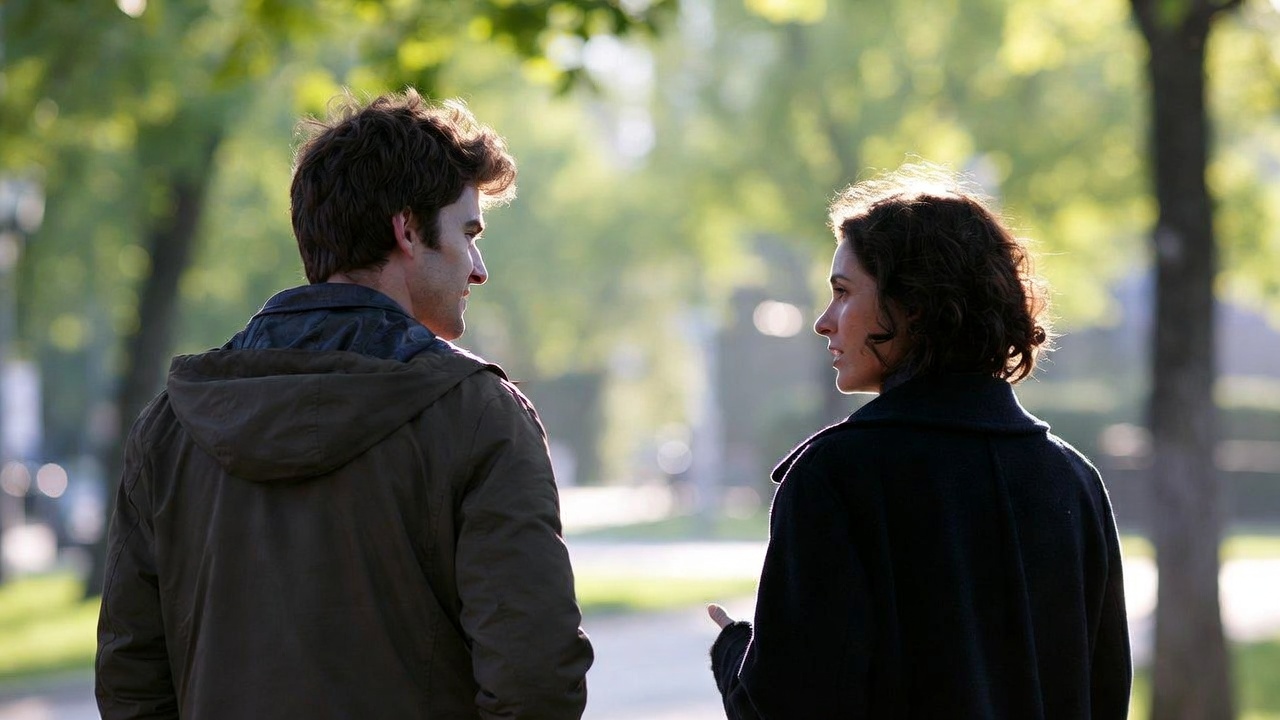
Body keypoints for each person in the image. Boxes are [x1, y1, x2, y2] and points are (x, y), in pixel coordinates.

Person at [95, 90, 593, 720]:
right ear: (407, 230)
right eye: (468, 233)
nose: (479, 268)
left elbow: (130, 683)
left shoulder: (169, 429)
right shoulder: (479, 418)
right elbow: (535, 682)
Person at [707, 164, 1131, 718]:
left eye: (842, 293)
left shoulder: (836, 478)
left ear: (913, 306)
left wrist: (734, 652)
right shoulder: (1073, 481)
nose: (823, 322)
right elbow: (1104, 694)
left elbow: (787, 706)